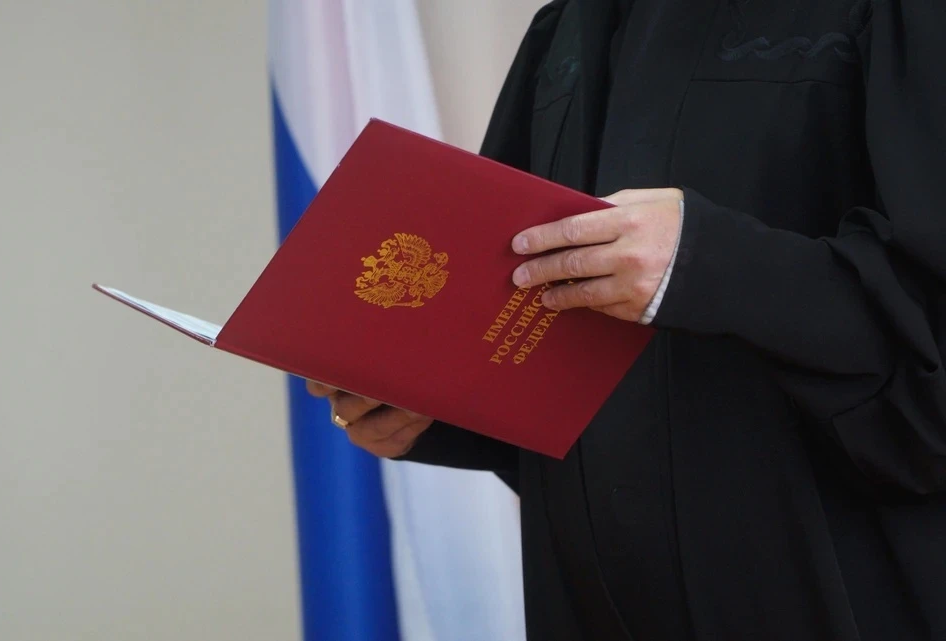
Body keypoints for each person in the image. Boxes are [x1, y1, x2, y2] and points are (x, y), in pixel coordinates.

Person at [308, 1, 946, 639]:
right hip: (589, 602)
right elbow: (525, 317)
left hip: (836, 590)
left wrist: (709, 263)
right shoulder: (565, 27)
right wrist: (427, 399)